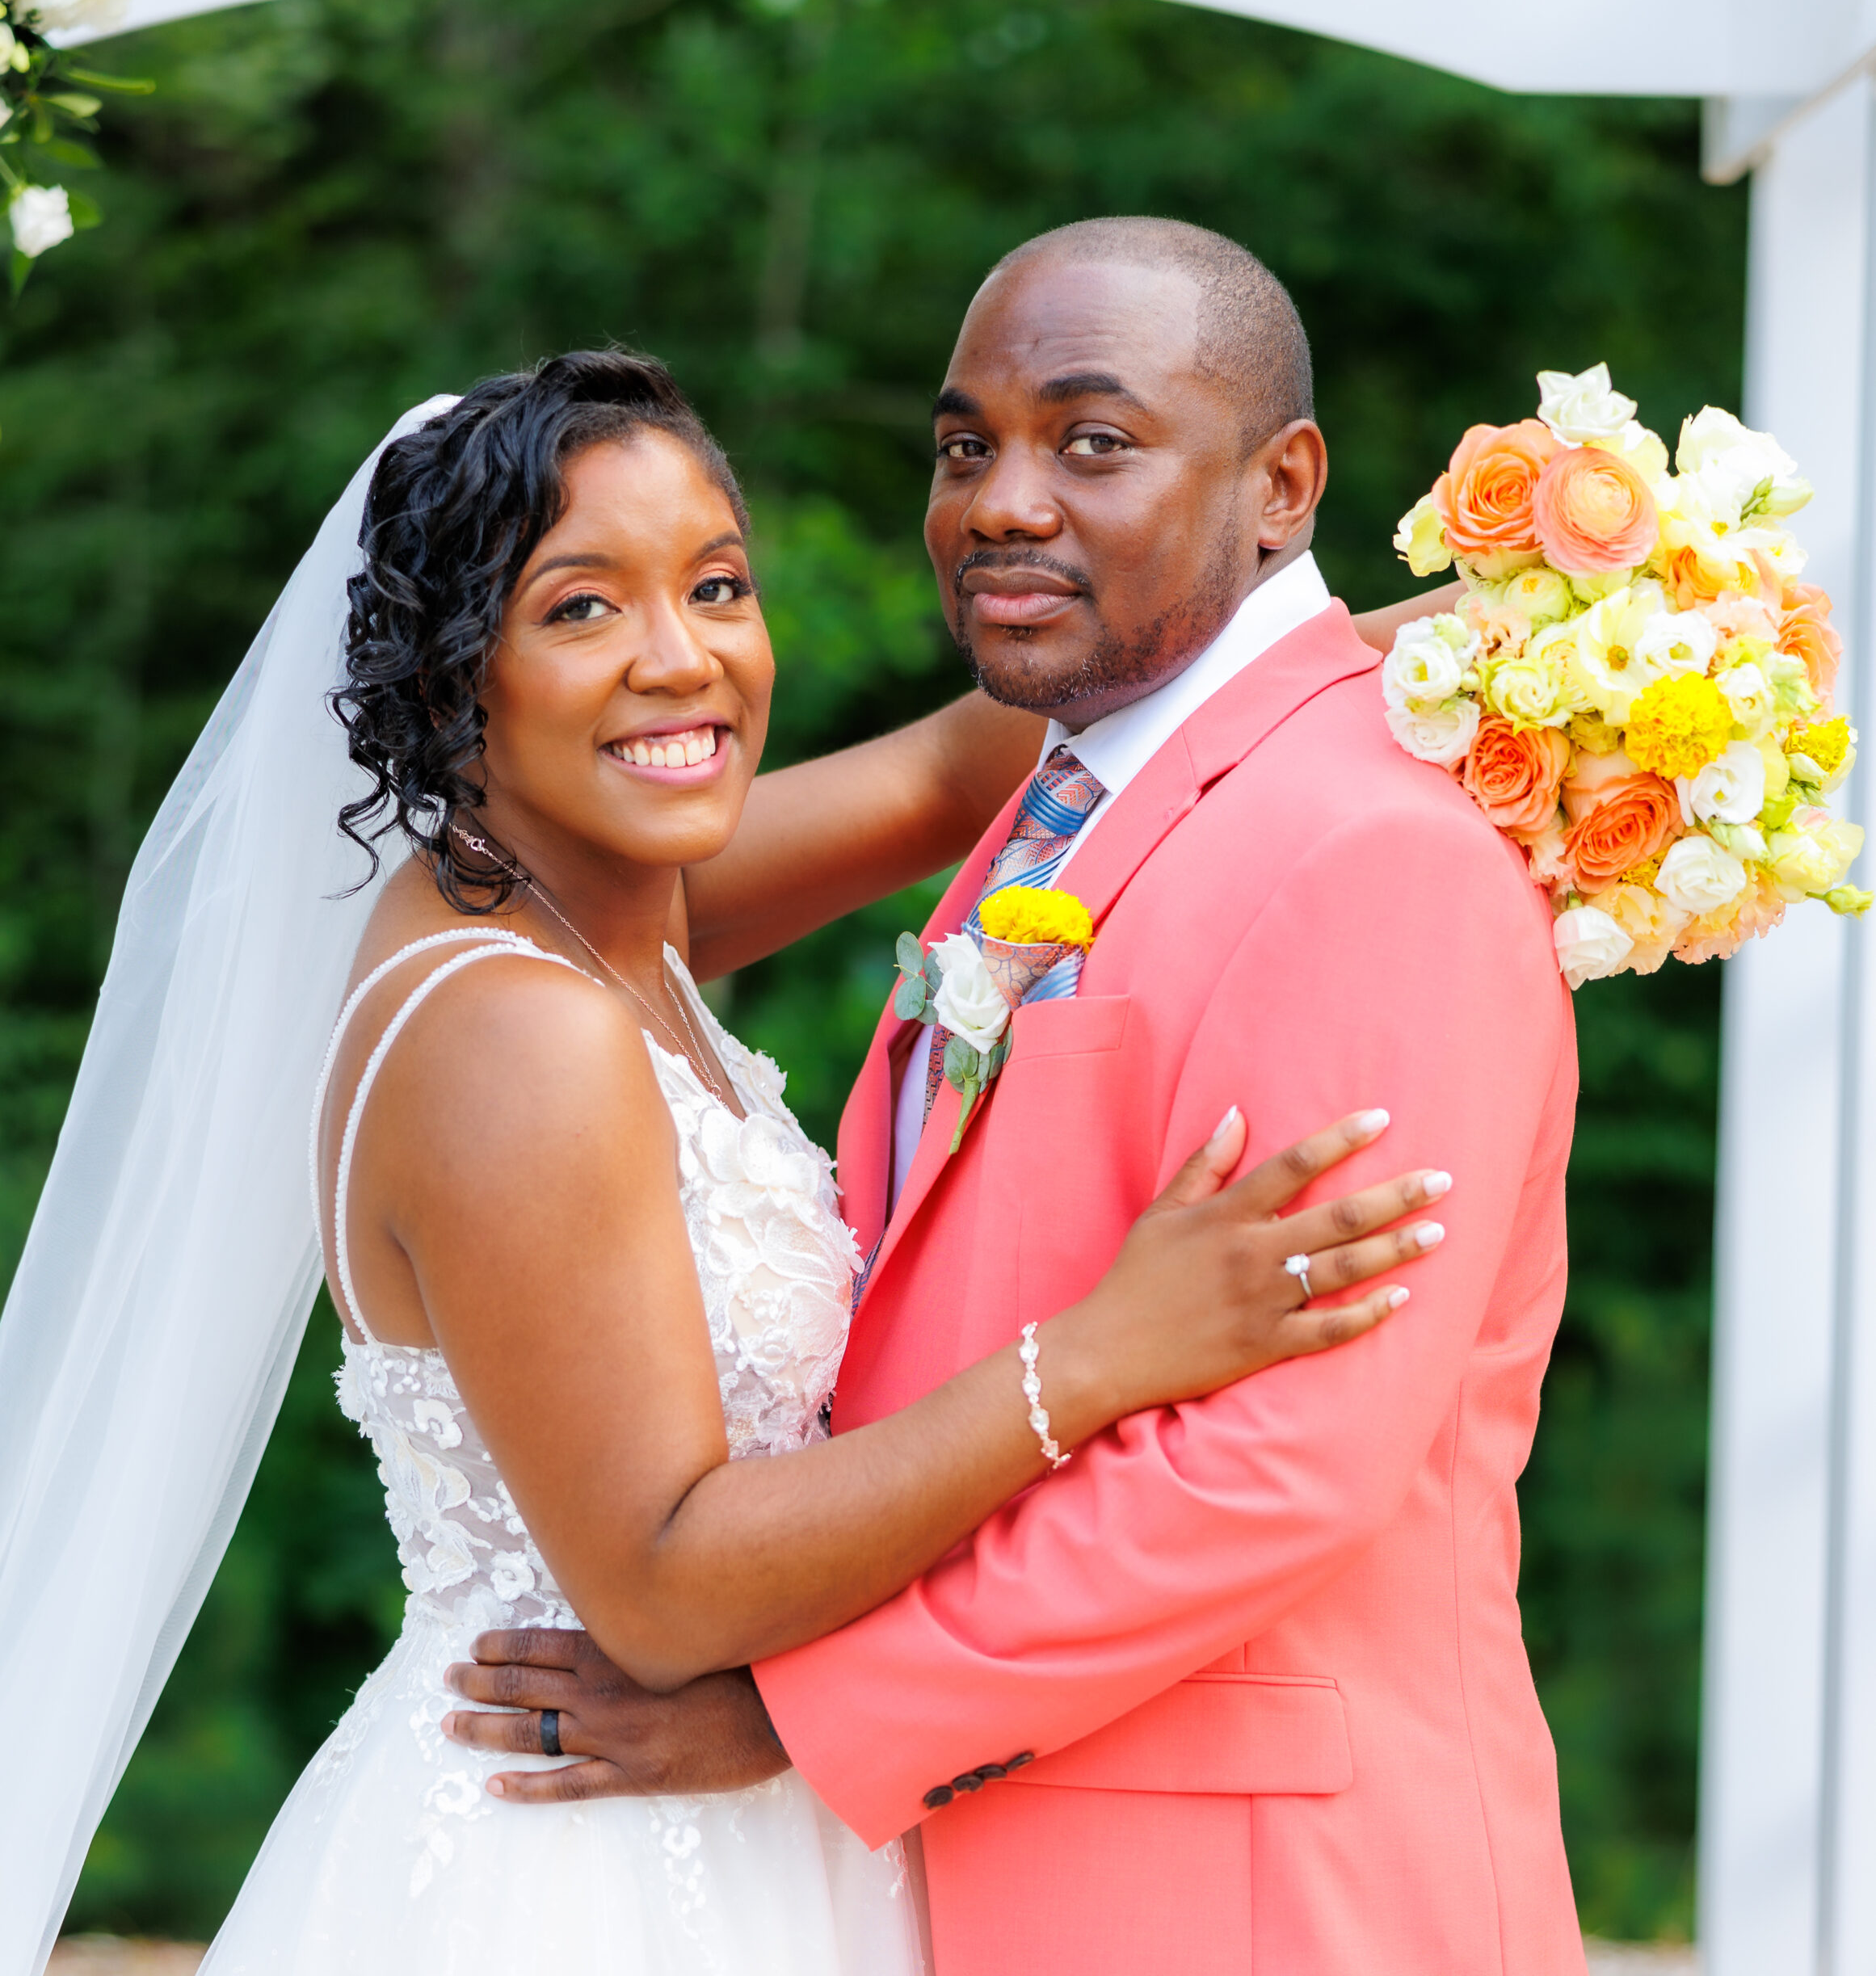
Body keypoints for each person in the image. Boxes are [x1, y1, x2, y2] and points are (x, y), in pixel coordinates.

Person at [44, 345, 1443, 1976]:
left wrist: (1487, 647)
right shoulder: (517, 1030)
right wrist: (1103, 1353)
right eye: (581, 608)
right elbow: (660, 1584)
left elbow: (942, 768)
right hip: (581, 1867)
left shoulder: (594, 914)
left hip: (735, 1825)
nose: (680, 660)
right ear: (450, 674)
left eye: (715, 584)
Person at [450, 221, 1585, 1976]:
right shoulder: (1095, 779)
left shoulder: (1375, 851)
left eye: (1092, 439)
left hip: (1266, 1902)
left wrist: (807, 1714)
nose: (997, 499)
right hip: (1018, 1865)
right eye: (965, 442)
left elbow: (1282, 1466)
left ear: (1283, 482)